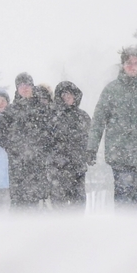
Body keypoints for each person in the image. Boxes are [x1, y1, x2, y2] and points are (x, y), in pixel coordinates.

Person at [87, 47, 137, 209]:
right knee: (123, 194)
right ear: (123, 65)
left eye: (136, 63)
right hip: (119, 154)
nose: (133, 66)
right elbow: (98, 121)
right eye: (129, 63)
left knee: (136, 196)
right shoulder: (111, 90)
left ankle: (130, 231)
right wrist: (91, 148)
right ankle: (123, 228)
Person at [0, 72, 53, 209]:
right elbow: (1, 135)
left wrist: (41, 148)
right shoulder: (11, 110)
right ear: (17, 89)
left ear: (33, 87)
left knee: (37, 201)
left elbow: (51, 132)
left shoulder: (43, 108)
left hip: (37, 163)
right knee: (18, 201)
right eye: (21, 85)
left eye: (27, 85)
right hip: (17, 164)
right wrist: (14, 149)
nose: (24, 88)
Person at [50, 81, 90, 209]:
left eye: (70, 94)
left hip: (78, 169)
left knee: (78, 205)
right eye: (64, 95)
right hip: (58, 169)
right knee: (59, 207)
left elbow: (89, 140)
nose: (67, 97)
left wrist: (87, 155)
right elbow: (47, 141)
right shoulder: (52, 116)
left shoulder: (83, 116)